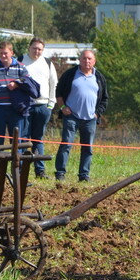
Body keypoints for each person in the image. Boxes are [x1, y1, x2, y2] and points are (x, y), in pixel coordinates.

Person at [54, 49, 108, 183]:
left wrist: (97, 113)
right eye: (84, 58)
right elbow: (59, 92)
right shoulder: (70, 74)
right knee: (66, 144)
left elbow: (105, 99)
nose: (87, 61)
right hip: (71, 116)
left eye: (90, 59)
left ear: (94, 61)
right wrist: (62, 107)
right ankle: (60, 173)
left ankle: (84, 175)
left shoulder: (99, 77)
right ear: (80, 60)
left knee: (87, 148)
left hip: (90, 119)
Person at [0, 41, 33, 147]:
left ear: (12, 53)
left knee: (16, 142)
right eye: (1, 54)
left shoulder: (20, 67)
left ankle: (17, 163)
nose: (3, 56)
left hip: (16, 109)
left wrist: (17, 84)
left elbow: (29, 84)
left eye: (5, 53)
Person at [21, 37, 59, 178]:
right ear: (29, 47)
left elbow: (54, 84)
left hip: (43, 106)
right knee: (23, 139)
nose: (37, 51)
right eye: (34, 48)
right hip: (24, 106)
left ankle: (40, 170)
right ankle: (21, 170)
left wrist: (50, 104)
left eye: (40, 49)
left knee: (38, 139)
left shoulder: (47, 63)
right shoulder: (20, 60)